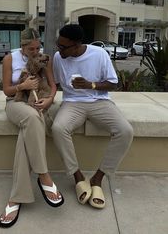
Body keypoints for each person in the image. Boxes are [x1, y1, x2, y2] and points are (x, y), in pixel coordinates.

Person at [52, 24, 133, 209]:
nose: (59, 50)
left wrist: (91, 85)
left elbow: (113, 83)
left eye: (64, 47)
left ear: (77, 44)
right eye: (58, 44)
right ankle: (77, 176)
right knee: (58, 128)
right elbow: (54, 83)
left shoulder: (99, 54)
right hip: (72, 102)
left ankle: (98, 178)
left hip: (99, 101)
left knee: (125, 131)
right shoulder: (59, 57)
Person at [0, 28, 64, 228]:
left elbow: (53, 85)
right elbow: (6, 90)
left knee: (28, 129)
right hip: (16, 103)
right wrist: (22, 86)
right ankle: (44, 176)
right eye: (31, 48)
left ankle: (16, 198)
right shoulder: (10, 60)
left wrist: (49, 100)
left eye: (38, 47)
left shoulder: (45, 58)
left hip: (39, 102)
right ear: (23, 46)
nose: (36, 51)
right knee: (32, 117)